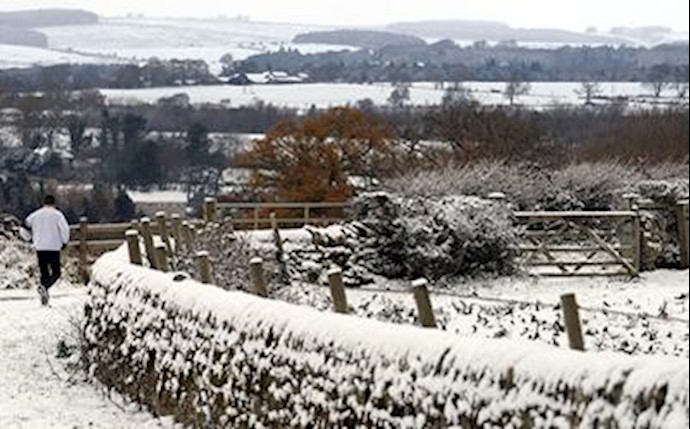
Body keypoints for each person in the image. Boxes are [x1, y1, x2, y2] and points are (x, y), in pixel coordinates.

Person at [25, 195, 70, 306]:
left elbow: (26, 223)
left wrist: (29, 238)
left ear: (44, 203)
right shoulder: (58, 215)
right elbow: (65, 229)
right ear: (54, 203)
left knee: (44, 273)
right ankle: (44, 287)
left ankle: (44, 298)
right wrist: (64, 242)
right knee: (56, 273)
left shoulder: (36, 215)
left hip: (40, 246)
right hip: (54, 247)